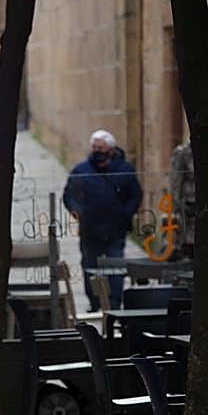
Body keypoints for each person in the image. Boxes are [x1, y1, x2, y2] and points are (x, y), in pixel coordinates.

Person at [62, 130, 142, 310]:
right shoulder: (81, 170)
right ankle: (95, 303)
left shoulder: (124, 170)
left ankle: (114, 304)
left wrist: (124, 214)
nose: (97, 151)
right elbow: (69, 195)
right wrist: (79, 212)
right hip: (90, 230)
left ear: (111, 150)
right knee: (90, 267)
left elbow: (135, 196)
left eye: (101, 148)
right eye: (95, 147)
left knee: (115, 267)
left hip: (115, 230)